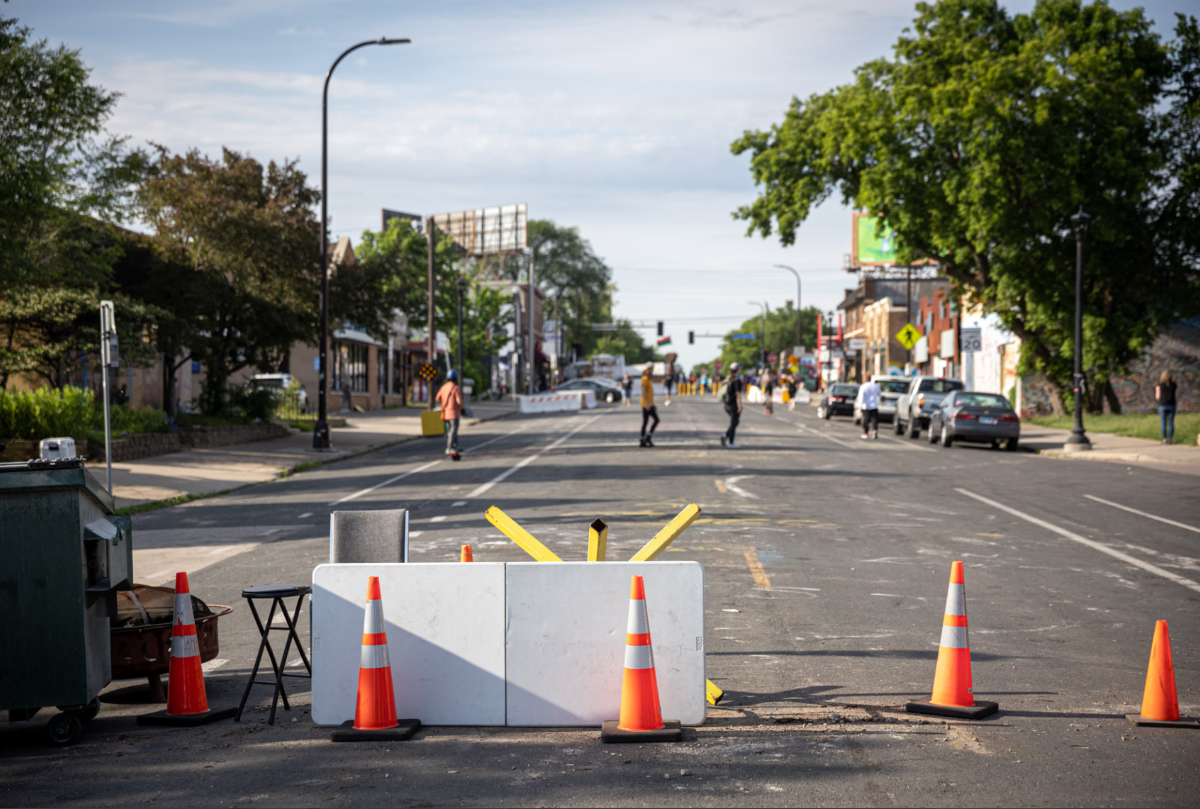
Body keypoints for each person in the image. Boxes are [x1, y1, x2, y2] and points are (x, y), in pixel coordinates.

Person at [435, 370, 464, 455]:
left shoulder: (443, 387)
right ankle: (450, 447)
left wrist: (444, 403)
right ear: (456, 378)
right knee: (453, 431)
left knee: (450, 431)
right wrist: (462, 408)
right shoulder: (456, 388)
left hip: (445, 413)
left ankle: (455, 446)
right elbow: (459, 402)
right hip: (454, 413)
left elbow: (438, 398)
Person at [719, 363, 743, 448]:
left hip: (727, 404)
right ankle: (731, 442)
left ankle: (726, 435)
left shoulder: (728, 378)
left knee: (735, 422)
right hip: (733, 405)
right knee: (733, 423)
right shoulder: (737, 380)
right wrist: (739, 405)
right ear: (737, 370)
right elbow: (738, 394)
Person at [639, 366, 660, 447]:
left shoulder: (649, 379)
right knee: (651, 421)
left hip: (649, 404)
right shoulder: (644, 379)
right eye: (650, 369)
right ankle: (645, 438)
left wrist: (652, 403)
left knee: (651, 421)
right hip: (646, 404)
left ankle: (645, 438)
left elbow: (649, 393)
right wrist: (647, 404)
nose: (651, 371)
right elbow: (643, 392)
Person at [1156, 370, 1177, 445]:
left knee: (1163, 423)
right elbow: (1175, 396)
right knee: (1171, 423)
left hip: (1163, 406)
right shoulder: (1174, 385)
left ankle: (1164, 440)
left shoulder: (1159, 386)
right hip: (1172, 405)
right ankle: (1170, 439)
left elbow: (1158, 397)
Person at [859, 373, 881, 440]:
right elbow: (880, 394)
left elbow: (861, 397)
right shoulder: (876, 386)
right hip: (874, 405)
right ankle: (874, 431)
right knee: (874, 419)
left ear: (866, 379)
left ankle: (866, 432)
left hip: (866, 406)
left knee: (865, 420)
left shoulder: (863, 386)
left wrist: (860, 406)